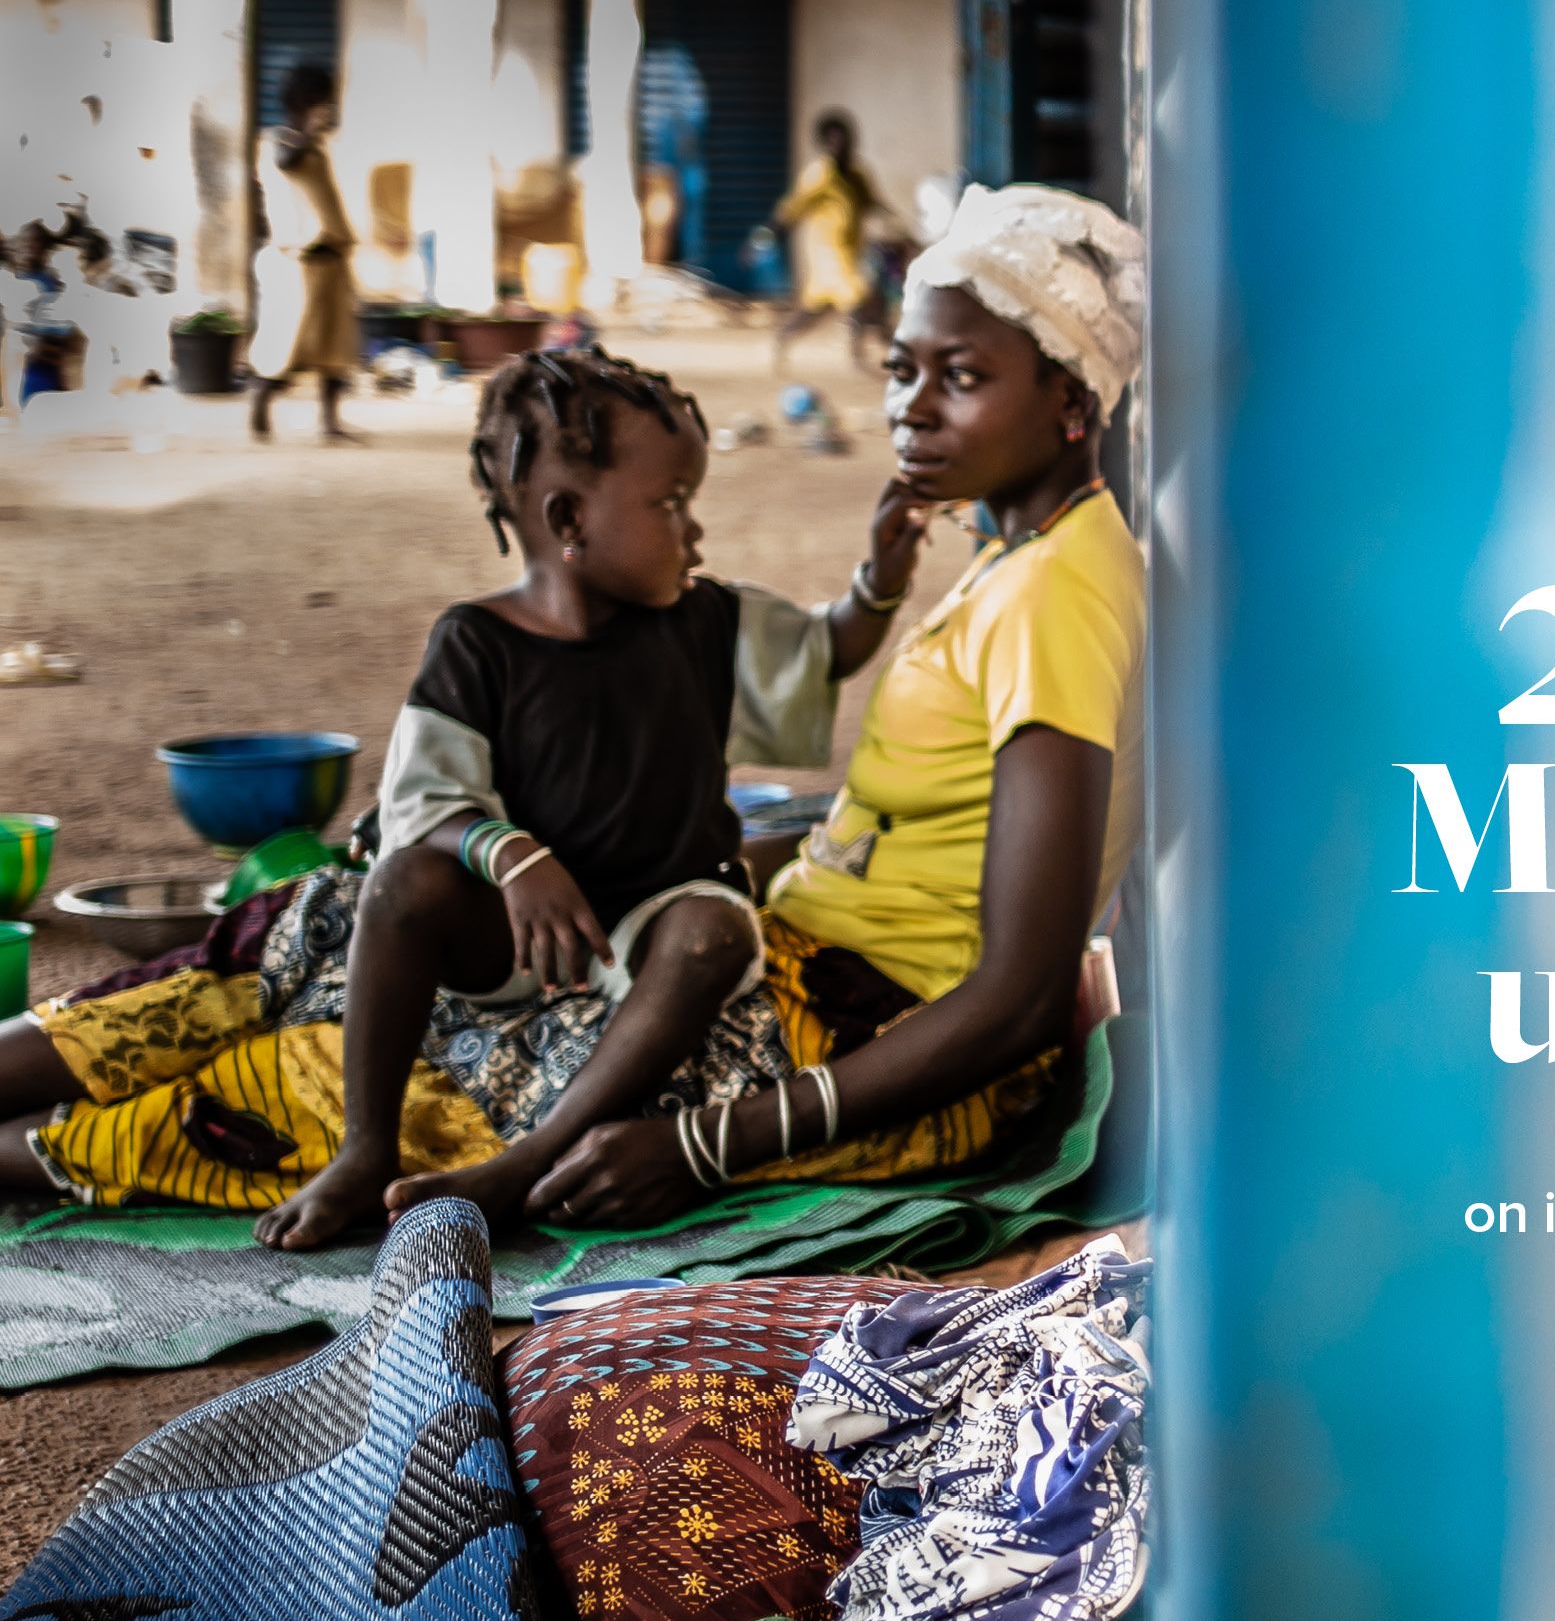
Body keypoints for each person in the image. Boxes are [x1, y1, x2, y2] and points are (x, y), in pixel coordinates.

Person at [0, 186, 1144, 1240]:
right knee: (314, 934)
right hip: (777, 958)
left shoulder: (1056, 597)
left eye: (962, 376)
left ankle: (52, 1148)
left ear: (1072, 404)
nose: (911, 409)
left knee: (348, 1072)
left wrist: (700, 1144)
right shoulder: (1019, 561)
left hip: (847, 1032)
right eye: (902, 369)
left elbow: (1020, 993)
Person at [235, 347, 922, 1246]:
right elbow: (424, 803)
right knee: (400, 883)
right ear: (567, 519)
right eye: (671, 505)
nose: (695, 532)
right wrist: (514, 857)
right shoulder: (477, 644)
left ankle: (527, 1164)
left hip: (652, 919)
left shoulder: (705, 622)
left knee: (716, 932)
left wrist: (881, 580)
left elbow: (825, 649)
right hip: (519, 934)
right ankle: (366, 1149)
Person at [248, 62, 363, 443]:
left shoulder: (315, 147)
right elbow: (285, 163)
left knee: (337, 346)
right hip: (296, 261)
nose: (327, 107)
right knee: (285, 341)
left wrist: (312, 138)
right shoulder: (276, 141)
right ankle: (261, 406)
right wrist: (307, 134)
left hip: (331, 256)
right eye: (320, 100)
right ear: (302, 101)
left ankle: (330, 421)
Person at [771, 112, 885, 375]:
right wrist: (770, 233)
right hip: (826, 250)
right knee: (856, 293)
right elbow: (792, 208)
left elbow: (871, 201)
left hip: (849, 249)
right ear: (824, 143)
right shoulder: (818, 174)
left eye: (843, 140)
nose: (839, 146)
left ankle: (784, 336)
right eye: (832, 141)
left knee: (819, 306)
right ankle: (857, 356)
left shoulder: (857, 173)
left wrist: (893, 222)